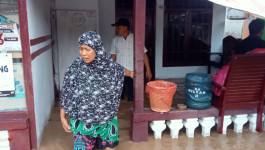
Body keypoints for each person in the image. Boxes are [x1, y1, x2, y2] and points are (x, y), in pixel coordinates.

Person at [60, 31, 134, 150]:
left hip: (106, 118)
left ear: (97, 49)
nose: (83, 53)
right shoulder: (76, 67)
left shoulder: (108, 64)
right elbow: (67, 90)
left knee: (109, 147)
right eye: (81, 49)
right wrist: (62, 116)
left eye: (87, 49)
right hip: (83, 120)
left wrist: (132, 73)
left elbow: (120, 71)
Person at [110, 18, 152, 101]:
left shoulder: (136, 39)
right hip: (120, 71)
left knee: (132, 97)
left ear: (125, 28)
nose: (117, 30)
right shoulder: (115, 40)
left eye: (118, 28)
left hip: (133, 71)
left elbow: (144, 54)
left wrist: (148, 69)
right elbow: (113, 57)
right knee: (119, 96)